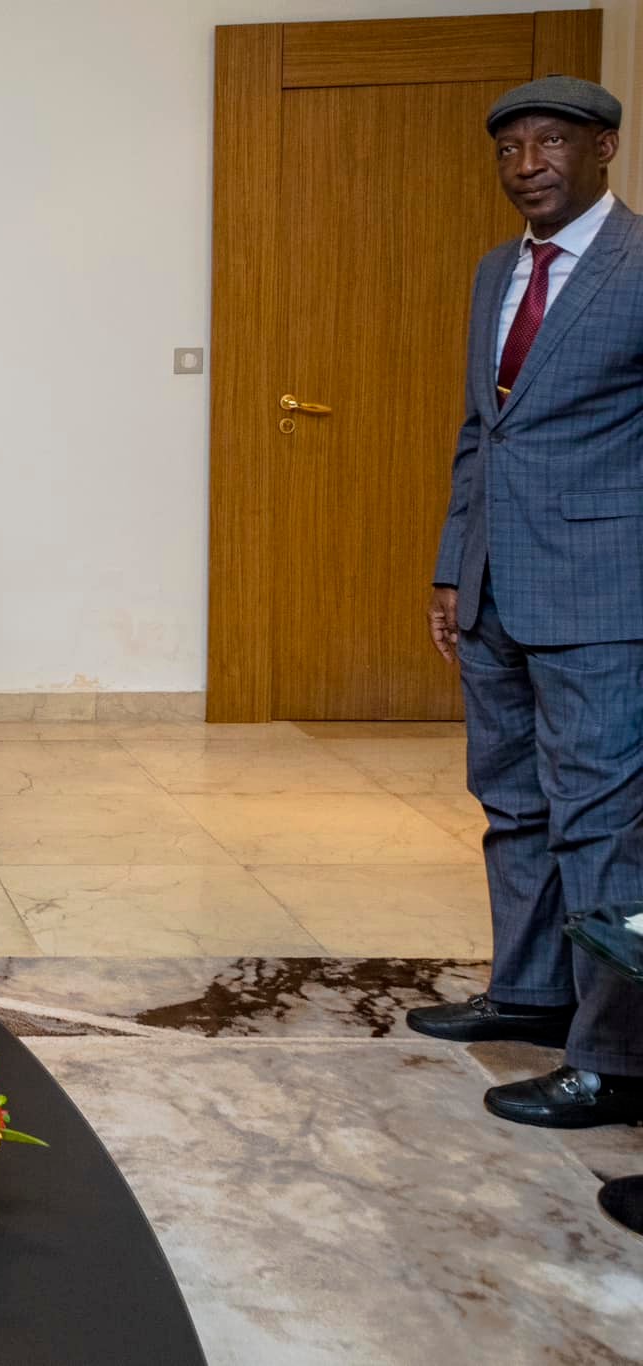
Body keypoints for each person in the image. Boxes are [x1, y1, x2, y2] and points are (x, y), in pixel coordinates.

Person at [411, 75, 643, 1128]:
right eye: (508, 148)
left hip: (604, 591)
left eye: (550, 142)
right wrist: (452, 566)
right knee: (511, 803)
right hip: (497, 585)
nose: (525, 164)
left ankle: (611, 1057)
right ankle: (530, 992)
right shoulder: (492, 271)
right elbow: (480, 432)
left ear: (601, 151)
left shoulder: (638, 266)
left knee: (599, 820)